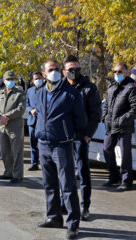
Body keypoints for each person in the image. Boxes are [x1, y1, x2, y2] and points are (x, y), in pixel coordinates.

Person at [35, 60, 87, 240]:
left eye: (57, 69)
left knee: (68, 186)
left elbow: (81, 120)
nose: (54, 72)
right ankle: (54, 217)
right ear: (43, 73)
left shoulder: (71, 94)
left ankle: (73, 224)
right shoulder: (40, 92)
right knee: (49, 184)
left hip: (62, 145)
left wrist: (71, 135)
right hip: (43, 143)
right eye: (51, 70)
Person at [61, 55, 102, 221]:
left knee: (83, 172)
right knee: (65, 172)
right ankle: (66, 202)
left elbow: (95, 114)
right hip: (63, 138)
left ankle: (85, 206)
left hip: (81, 138)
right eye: (71, 69)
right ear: (64, 71)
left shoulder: (89, 88)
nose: (74, 72)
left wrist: (87, 135)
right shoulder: (60, 87)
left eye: (77, 69)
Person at [102, 63, 136, 191]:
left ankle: (126, 181)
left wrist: (120, 120)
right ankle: (113, 177)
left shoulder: (131, 87)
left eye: (119, 72)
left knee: (125, 154)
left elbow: (135, 109)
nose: (117, 74)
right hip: (110, 126)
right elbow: (107, 105)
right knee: (107, 150)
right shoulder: (111, 86)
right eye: (115, 72)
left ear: (126, 73)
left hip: (124, 127)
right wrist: (105, 117)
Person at [0, 70, 26, 183]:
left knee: (16, 151)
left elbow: (21, 108)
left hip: (15, 126)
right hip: (2, 126)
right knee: (5, 151)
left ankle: (17, 175)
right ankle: (8, 172)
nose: (10, 81)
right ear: (3, 80)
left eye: (12, 79)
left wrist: (7, 116)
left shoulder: (19, 93)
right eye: (8, 79)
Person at [26, 71, 44, 171]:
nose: (38, 80)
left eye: (39, 78)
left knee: (42, 144)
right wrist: (30, 110)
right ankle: (34, 163)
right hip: (32, 121)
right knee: (33, 143)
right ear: (32, 81)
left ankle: (44, 163)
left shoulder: (46, 90)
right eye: (36, 79)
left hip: (42, 121)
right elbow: (26, 104)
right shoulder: (29, 91)